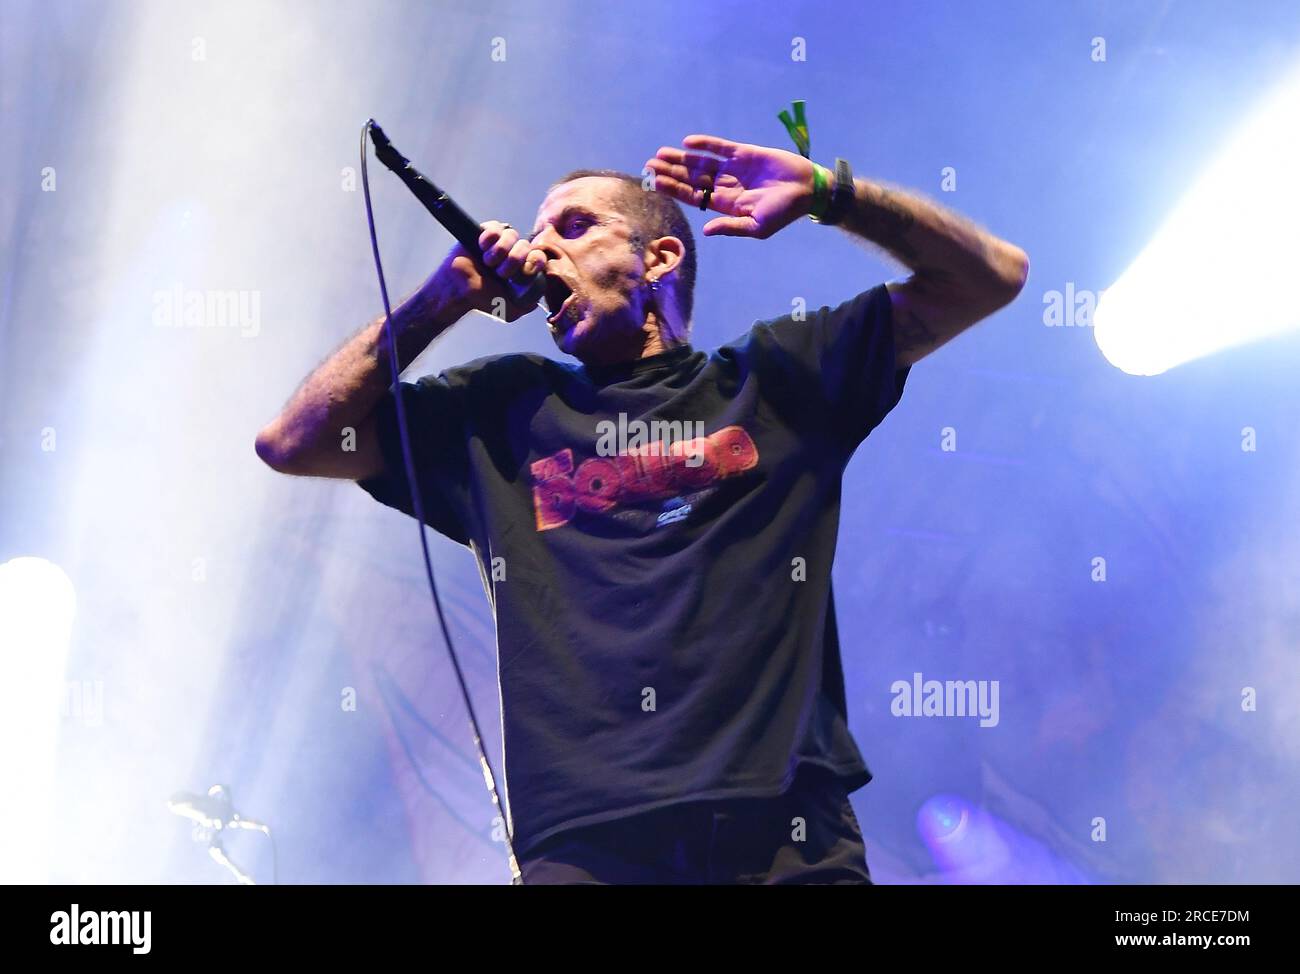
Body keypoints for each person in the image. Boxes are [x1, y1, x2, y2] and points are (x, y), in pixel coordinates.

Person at [254, 133, 1029, 884]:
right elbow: (296, 442)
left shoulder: (775, 379)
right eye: (535, 235)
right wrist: (444, 297)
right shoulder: (497, 413)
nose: (541, 249)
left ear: (659, 257)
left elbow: (991, 276)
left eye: (576, 226)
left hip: (783, 833)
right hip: (588, 847)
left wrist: (833, 195)